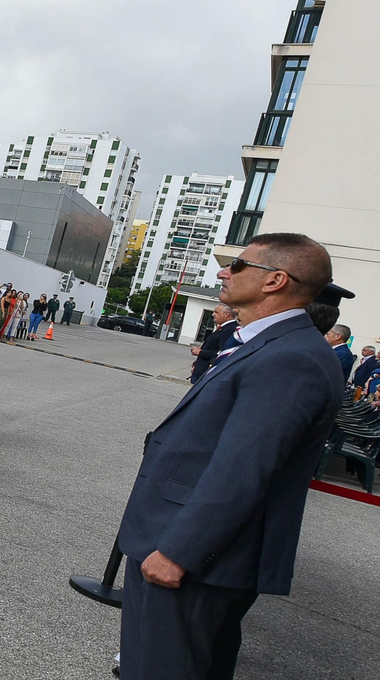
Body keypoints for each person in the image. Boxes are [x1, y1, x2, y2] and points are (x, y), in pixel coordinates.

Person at [115, 234, 342, 680]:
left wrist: (180, 552)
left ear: (275, 280)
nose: (224, 272)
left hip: (196, 556)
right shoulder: (265, 343)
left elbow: (243, 469)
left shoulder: (290, 357)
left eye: (238, 265)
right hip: (187, 545)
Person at [188, 304, 239, 384]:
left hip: (208, 375)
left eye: (216, 312)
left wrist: (200, 352)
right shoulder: (224, 328)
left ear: (226, 314)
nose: (213, 314)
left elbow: (222, 353)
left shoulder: (229, 330)